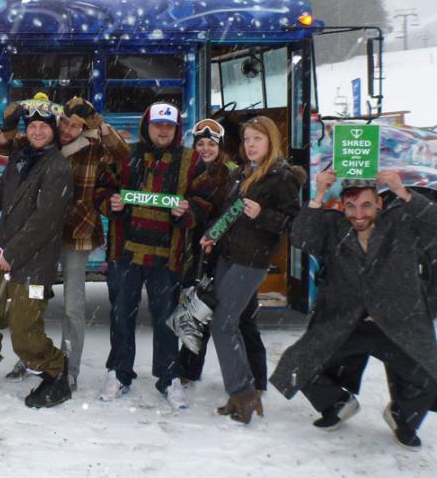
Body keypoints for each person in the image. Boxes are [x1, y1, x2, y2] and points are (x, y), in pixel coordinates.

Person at [271, 171, 437, 449]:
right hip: (347, 323)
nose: (358, 214)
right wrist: (319, 195)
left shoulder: (401, 222)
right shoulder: (334, 227)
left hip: (396, 322)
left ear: (380, 203)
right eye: (351, 206)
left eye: (366, 205)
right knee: (297, 366)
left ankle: (403, 417)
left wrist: (402, 191)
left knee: (429, 377)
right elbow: (301, 238)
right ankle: (337, 404)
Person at [0, 96, 129, 391]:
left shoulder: (94, 147)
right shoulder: (44, 141)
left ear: (85, 127)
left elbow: (123, 155)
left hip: (75, 234)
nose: (67, 130)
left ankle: (70, 367)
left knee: (72, 307)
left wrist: (102, 126)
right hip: (39, 235)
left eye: (75, 126)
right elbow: (4, 146)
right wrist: (7, 125)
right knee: (32, 300)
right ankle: (34, 356)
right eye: (65, 123)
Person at [0, 96, 75, 408]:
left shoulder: (58, 167)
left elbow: (45, 219)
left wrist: (14, 252)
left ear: (53, 131)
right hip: (3, 256)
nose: (37, 131)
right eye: (32, 126)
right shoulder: (19, 159)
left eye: (43, 127)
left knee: (24, 330)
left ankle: (56, 375)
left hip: (32, 263)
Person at [96, 102, 213, 402]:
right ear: (146, 127)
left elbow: (204, 199)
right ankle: (118, 372)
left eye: (169, 126)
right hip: (125, 253)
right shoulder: (125, 156)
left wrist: (188, 210)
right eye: (158, 125)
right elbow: (102, 187)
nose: (163, 130)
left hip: (168, 256)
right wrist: (111, 203)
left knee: (167, 319)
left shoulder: (191, 160)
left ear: (176, 129)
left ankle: (168, 377)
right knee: (121, 315)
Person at [200, 115, 304, 423]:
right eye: (247, 139)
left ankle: (243, 394)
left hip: (251, 261)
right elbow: (231, 213)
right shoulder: (243, 172)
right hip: (228, 255)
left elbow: (295, 225)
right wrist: (212, 235)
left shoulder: (281, 177)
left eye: (257, 138)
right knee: (232, 322)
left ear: (271, 140)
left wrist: (263, 215)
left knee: (223, 324)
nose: (250, 145)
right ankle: (244, 392)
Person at [167, 118, 267, 408]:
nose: (205, 149)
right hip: (201, 251)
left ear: (220, 147)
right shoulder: (191, 171)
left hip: (233, 255)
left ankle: (256, 380)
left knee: (243, 316)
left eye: (211, 144)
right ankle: (188, 369)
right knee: (198, 310)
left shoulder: (235, 174)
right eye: (200, 144)